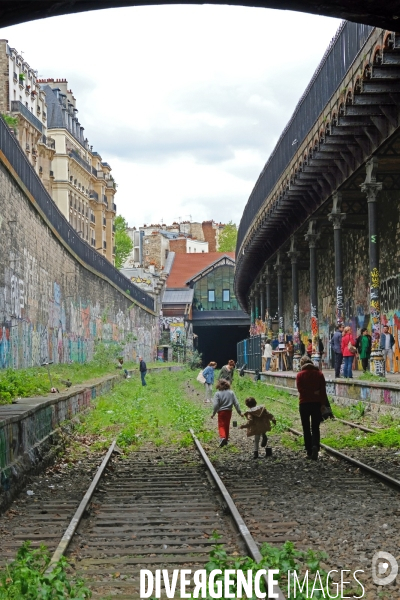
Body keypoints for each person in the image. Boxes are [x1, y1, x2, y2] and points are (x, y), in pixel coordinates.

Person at [296, 355, 329, 460]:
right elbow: (323, 391)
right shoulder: (319, 374)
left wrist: (310, 392)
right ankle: (315, 446)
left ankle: (309, 451)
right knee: (315, 427)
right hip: (316, 404)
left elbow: (301, 390)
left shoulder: (300, 375)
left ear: (302, 365)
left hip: (304, 404)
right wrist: (322, 404)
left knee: (306, 428)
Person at [211, 379, 243, 447]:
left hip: (221, 412)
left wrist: (213, 413)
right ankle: (226, 439)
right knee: (226, 425)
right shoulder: (231, 393)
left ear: (218, 386)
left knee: (221, 425)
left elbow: (216, 405)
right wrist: (239, 412)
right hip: (229, 412)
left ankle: (222, 437)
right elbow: (236, 403)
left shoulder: (217, 394)